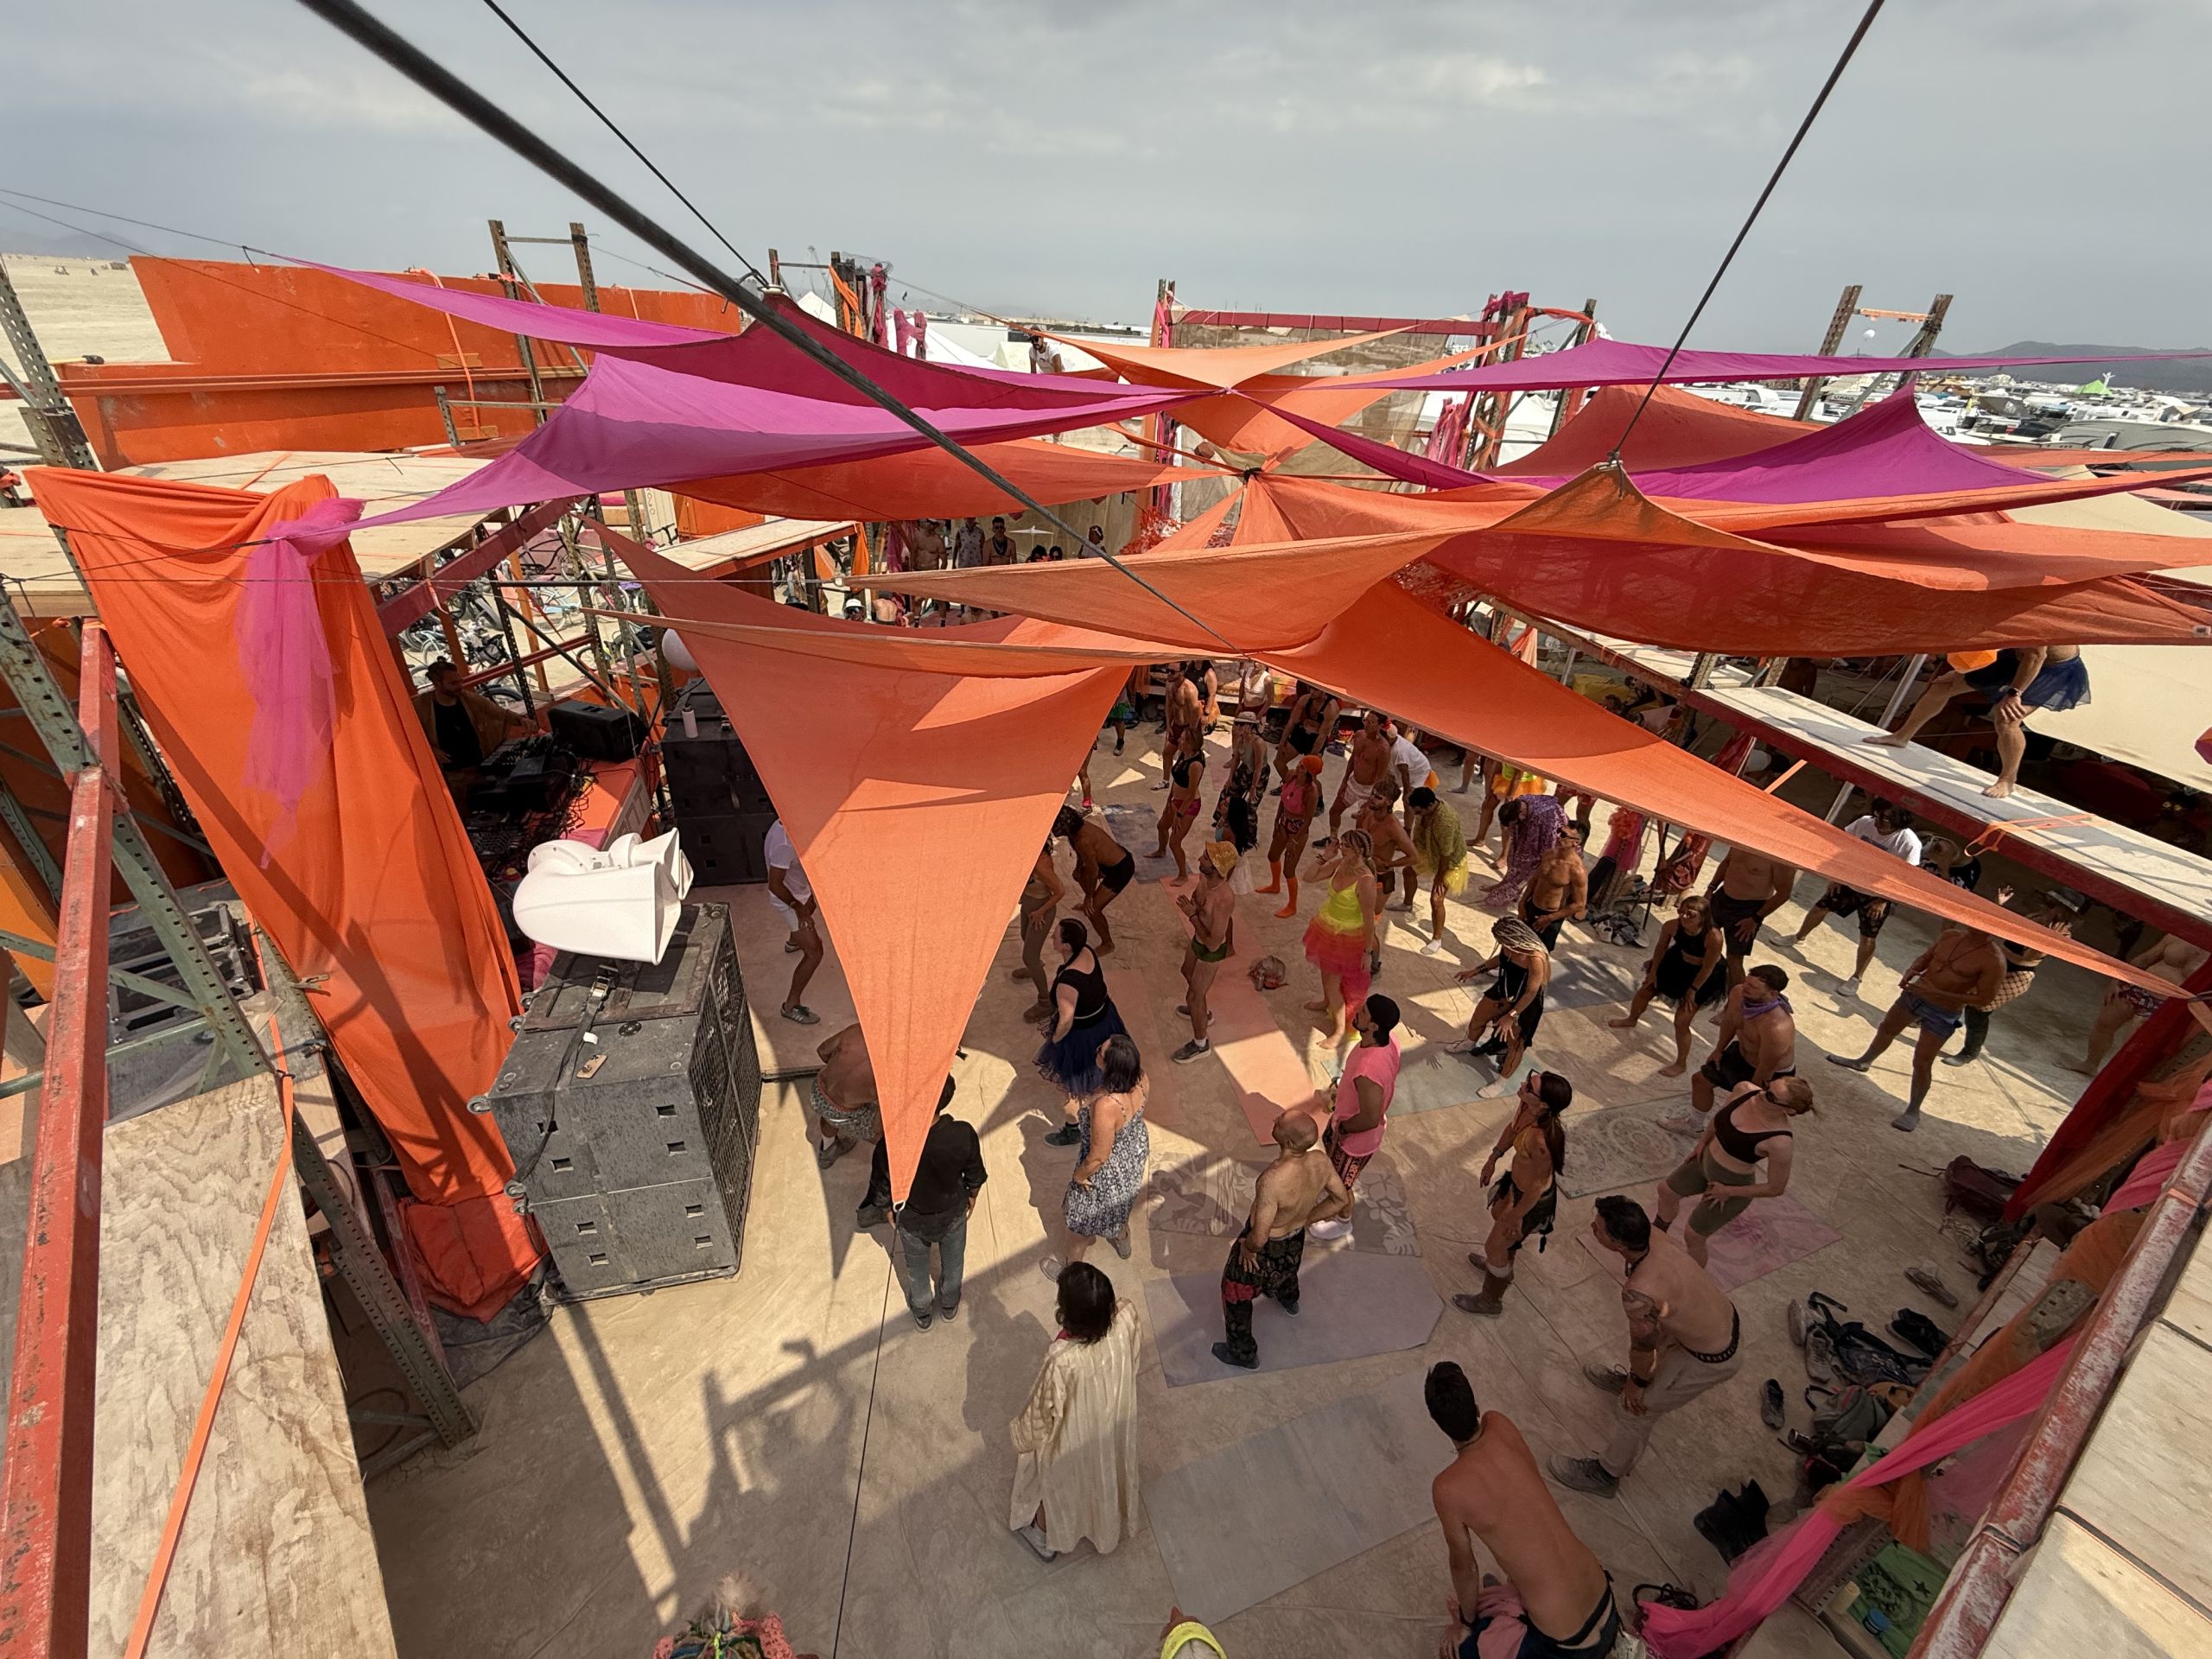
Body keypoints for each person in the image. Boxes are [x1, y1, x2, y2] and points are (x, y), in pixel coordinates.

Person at [1426, 1361, 1623, 1659]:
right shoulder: (1499, 1423)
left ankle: (1497, 1624)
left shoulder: (1447, 1488)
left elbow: (1465, 1569)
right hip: (1605, 1602)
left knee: (1455, 1651)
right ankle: (1508, 1610)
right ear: (1476, 1406)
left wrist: (1464, 1623)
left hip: (1571, 1646)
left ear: (1438, 1423)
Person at [1553, 1197, 1740, 1499]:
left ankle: (1607, 1474)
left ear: (1617, 1244)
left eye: (1598, 1229)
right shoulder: (1652, 1235)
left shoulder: (1639, 1292)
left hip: (1711, 1356)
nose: (1592, 1229)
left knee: (1636, 1411)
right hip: (1715, 1322)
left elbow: (1643, 1348)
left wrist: (1638, 1384)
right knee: (1656, 1346)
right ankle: (1634, 1381)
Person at [1009, 1261, 1141, 1561]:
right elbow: (1133, 1358)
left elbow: (1042, 1410)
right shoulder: (1126, 1318)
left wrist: (1023, 1437)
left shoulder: (1062, 1360)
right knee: (1105, 1474)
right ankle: (1105, 1527)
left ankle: (1043, 1537)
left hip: (1074, 1435)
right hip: (1113, 1419)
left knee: (1057, 1483)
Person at [1828, 926, 2005, 1131]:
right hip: (1915, 995)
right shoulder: (1951, 936)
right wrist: (1911, 971)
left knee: (1922, 1061)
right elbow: (1926, 957)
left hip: (1943, 1011)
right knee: (1887, 1029)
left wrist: (1940, 994)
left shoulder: (1994, 960)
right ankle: (1863, 1061)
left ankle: (1914, 1110)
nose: (1975, 926)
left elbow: (1984, 999)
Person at [1211, 1111, 1351, 1370]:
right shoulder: (1320, 1162)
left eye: (1280, 1120)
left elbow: (1260, 1235)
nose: (1275, 1118)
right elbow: (1340, 1200)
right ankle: (1289, 1299)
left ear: (1287, 1142)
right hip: (1294, 1239)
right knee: (1287, 1271)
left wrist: (1248, 1248)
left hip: (1265, 1247)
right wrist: (1304, 1219)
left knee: (1235, 1292)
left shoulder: (1272, 1181)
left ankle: (1243, 1353)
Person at [1864, 645, 2091, 798]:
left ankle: (2007, 779)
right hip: (2015, 657)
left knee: (2007, 719)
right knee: (1942, 686)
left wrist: (2014, 693)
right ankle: (1901, 736)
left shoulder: (2040, 614)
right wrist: (1962, 671)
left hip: (2050, 669)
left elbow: (2036, 657)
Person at [1655, 1076, 1815, 1266]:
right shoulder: (1744, 1090)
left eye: (1771, 1097)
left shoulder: (1780, 1142)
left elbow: (1775, 1188)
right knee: (1666, 1191)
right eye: (1766, 1086)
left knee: (1694, 1236)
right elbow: (1720, 1117)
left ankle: (1691, 1277)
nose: (1762, 1094)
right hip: (1704, 1161)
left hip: (1731, 1184)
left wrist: (1728, 1191)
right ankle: (1656, 1237)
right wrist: (1703, 1142)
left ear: (1789, 1110)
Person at [1455, 1070, 1572, 1317]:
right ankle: (1500, 1264)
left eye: (1529, 1087)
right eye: (1529, 1079)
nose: (1522, 1084)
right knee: (1500, 1226)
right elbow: (1512, 1129)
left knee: (1494, 1246)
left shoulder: (1541, 1141)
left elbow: (1538, 1185)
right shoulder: (1527, 1106)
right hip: (1515, 1186)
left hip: (1530, 1201)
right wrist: (1493, 1158)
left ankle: (1491, 1300)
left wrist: (1517, 1215)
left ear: (1544, 1104)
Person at [1040, 1034, 1151, 1275]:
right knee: (1120, 1208)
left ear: (1109, 1065)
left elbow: (1099, 1156)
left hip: (1107, 1170)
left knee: (1077, 1228)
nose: (1097, 1048)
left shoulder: (1107, 1105)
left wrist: (1079, 1176)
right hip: (1133, 1153)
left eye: (1101, 1050)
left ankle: (1070, 1274)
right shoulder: (1141, 1077)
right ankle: (1123, 1240)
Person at [1791, 803, 1923, 997]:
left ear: (1898, 823)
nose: (1878, 821)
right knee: (1821, 907)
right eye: (1878, 814)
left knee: (1867, 936)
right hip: (1850, 880)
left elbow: (1906, 877)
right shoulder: (1864, 823)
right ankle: (1798, 937)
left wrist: (1883, 900)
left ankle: (1856, 977)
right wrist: (1837, 877)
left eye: (1885, 819)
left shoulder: (1909, 842)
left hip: (1877, 893)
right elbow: (1845, 849)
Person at [892, 1076, 987, 1329]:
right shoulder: (963, 1133)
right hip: (952, 1212)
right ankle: (949, 1302)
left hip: (912, 1217)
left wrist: (886, 1206)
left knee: (916, 1267)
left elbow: (884, 1177)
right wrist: (972, 1194)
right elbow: (975, 1173)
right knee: (954, 1262)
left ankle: (922, 1309)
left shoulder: (896, 1137)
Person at [1944, 887, 2075, 1067]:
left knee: (1978, 1010)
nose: (2045, 906)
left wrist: (2047, 937)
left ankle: (1970, 1052)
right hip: (1997, 964)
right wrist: (1998, 906)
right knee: (1958, 986)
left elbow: (2029, 956)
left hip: (2017, 975)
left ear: (2062, 912)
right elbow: (2002, 928)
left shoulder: (2063, 935)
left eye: (2051, 905)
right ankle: (1932, 1019)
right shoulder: (2034, 917)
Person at [1308, 994, 1401, 1243]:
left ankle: (1343, 1222)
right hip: (1343, 1121)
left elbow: (1369, 1118)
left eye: (1364, 1012)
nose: (1358, 1011)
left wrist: (1344, 1129)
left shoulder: (1367, 1072)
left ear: (1374, 1026)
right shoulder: (1390, 1042)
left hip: (1353, 1141)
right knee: (1333, 1172)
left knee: (1340, 1187)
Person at [1667, 963, 1796, 1134]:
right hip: (1741, 1054)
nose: (1745, 989)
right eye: (1747, 983)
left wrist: (1748, 1094)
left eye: (1753, 987)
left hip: (1771, 1073)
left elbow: (1767, 1067)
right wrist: (1718, 1050)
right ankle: (1694, 1125)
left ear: (1772, 994)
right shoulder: (1738, 992)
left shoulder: (1777, 1026)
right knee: (1700, 1081)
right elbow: (1730, 1021)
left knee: (1741, 1111)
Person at [1610, 891, 1727, 1077]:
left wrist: (1692, 990)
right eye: (1682, 912)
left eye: (1690, 915)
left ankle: (1681, 1063)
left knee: (1682, 1021)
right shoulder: (1672, 925)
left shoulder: (1713, 937)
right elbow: (1660, 948)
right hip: (1677, 961)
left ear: (1703, 917)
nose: (1684, 917)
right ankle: (1631, 1019)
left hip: (1704, 975)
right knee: (1645, 991)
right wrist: (1653, 973)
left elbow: (1708, 968)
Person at [1035, 918, 1130, 1145]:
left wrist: (1055, 1041)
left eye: (1056, 936)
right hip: (1106, 1019)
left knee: (1071, 1087)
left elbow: (1066, 1021)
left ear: (1066, 946)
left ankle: (1073, 1129)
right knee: (1107, 1067)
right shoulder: (1086, 951)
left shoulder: (1068, 982)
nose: (1052, 936)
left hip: (1083, 1034)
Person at [2072, 931, 2209, 1075]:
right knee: (2104, 1023)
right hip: (2139, 986)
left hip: (2166, 1003)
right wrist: (2117, 979)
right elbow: (2145, 959)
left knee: (2134, 1044)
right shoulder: (2180, 936)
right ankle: (2090, 1064)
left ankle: (2115, 1076)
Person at [1448, 917, 1552, 1099]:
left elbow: (1531, 992)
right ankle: (1469, 1043)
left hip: (1526, 1002)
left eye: (1505, 943)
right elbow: (1499, 959)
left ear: (1515, 940)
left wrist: (1511, 1016)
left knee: (1515, 1043)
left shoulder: (1535, 958)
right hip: (1503, 989)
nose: (1503, 946)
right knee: (1478, 1018)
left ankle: (1501, 1082)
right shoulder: (1508, 948)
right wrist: (1475, 971)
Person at [1302, 830, 1381, 1051]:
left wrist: (1367, 952)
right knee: (1326, 971)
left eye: (1346, 845)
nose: (1341, 848)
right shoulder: (1340, 864)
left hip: (1349, 937)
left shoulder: (1366, 881)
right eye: (1342, 844)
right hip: (1328, 927)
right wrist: (1324, 856)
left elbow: (1369, 920)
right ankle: (1327, 1002)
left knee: (1333, 983)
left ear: (1360, 850)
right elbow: (1308, 877)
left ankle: (1338, 1032)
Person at [413, 658, 532, 795]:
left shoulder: (468, 698)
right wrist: (430, 750)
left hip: (479, 765)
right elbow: (410, 736)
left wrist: (521, 720)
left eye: (460, 681)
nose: (460, 686)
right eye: (453, 683)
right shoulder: (422, 706)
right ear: (437, 684)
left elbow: (500, 713)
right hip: (451, 774)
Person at [1173, 842, 1238, 1063]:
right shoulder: (1204, 880)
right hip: (1198, 939)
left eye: (1206, 858)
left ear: (1218, 867)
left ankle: (1201, 1044)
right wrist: (1194, 905)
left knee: (1193, 996)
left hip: (1210, 952)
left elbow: (1213, 944)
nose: (1200, 859)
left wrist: (1192, 915)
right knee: (1186, 971)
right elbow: (1197, 899)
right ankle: (1202, 1011)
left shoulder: (1224, 898)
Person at [1704, 844, 1798, 990]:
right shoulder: (1742, 841)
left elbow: (1784, 893)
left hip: (1748, 910)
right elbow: (1727, 862)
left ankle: (1737, 998)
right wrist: (1711, 888)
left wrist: (1756, 918)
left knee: (1734, 958)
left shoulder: (1780, 857)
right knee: (1703, 938)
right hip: (1722, 897)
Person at [764, 817, 824, 1025]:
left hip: (799, 892)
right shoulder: (784, 844)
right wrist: (799, 909)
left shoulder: (783, 823)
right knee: (815, 953)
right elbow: (775, 885)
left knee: (811, 906)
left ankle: (793, 941)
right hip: (789, 900)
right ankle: (790, 1005)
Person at [1054, 804, 1136, 954]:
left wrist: (1089, 896)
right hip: (1107, 863)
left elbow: (1093, 871)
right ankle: (1090, 900)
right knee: (1079, 876)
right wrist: (1078, 868)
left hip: (1121, 869)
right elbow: (1081, 853)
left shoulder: (1084, 840)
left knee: (1093, 911)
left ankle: (1108, 944)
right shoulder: (1077, 833)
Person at [1255, 754, 1325, 918]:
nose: (1298, 767)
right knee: (1273, 856)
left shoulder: (1311, 791)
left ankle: (1292, 905)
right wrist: (1277, 820)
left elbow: (1308, 820)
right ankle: (1275, 885)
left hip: (1298, 829)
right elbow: (1283, 800)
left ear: (1309, 773)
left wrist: (1294, 840)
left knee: (1289, 869)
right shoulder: (1291, 777)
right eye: (1300, 764)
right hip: (1284, 822)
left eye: (1302, 767)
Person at [1407, 786, 1471, 957]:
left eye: (1418, 812)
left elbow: (1446, 854)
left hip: (1450, 861)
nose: (1416, 815)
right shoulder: (1423, 811)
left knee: (1436, 899)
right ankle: (1407, 904)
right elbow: (1418, 838)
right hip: (1429, 850)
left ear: (1430, 806)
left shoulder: (1446, 821)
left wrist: (1439, 878)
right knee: (1408, 872)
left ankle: (1437, 939)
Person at [809, 1022, 879, 1172]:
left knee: (829, 1112)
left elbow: (822, 1051)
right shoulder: (893, 1068)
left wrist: (840, 1070)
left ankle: (828, 1149)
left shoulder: (858, 1030)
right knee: (884, 1131)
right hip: (844, 1112)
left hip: (818, 1091)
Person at [1483, 792, 1565, 910]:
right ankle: (1505, 885)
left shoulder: (1546, 818)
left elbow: (1550, 844)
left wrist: (1543, 862)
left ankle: (1517, 895)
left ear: (1521, 813)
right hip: (1530, 836)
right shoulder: (1521, 802)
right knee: (1514, 860)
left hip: (1548, 844)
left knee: (1529, 869)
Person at [1015, 839, 1065, 1023]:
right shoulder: (1031, 859)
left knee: (1030, 956)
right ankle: (1034, 968)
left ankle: (1045, 1002)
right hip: (1030, 905)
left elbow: (1060, 891)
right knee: (1024, 936)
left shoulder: (1041, 865)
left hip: (1040, 912)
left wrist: (1040, 912)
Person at [1519, 823, 1587, 952]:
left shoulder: (1577, 871)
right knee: (1517, 943)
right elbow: (1535, 879)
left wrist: (1549, 918)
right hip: (1532, 906)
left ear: (1576, 842)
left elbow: (1580, 904)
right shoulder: (1548, 854)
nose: (1558, 836)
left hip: (1551, 916)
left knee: (1538, 954)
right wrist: (1522, 903)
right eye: (1559, 831)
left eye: (1564, 835)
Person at [1328, 709, 1395, 838]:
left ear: (1380, 726)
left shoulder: (1383, 748)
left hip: (1369, 789)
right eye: (1365, 721)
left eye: (1371, 722)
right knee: (1334, 811)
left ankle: (1355, 847)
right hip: (1353, 782)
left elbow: (1380, 777)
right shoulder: (1359, 735)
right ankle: (1332, 839)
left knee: (1361, 825)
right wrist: (1344, 781)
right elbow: (1353, 759)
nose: (1366, 725)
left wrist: (1372, 799)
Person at [1212, 712, 1269, 854]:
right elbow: (1236, 760)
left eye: (1241, 724)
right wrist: (1230, 778)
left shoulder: (1258, 743)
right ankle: (1223, 819)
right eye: (1237, 723)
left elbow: (1258, 768)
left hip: (1259, 774)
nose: (1238, 727)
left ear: (1250, 726)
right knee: (1227, 793)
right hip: (1245, 769)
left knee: (1251, 806)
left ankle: (1250, 837)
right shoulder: (1240, 740)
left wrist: (1254, 787)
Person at [1153, 744, 1206, 880]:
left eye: (1182, 739)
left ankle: (1183, 875)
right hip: (1176, 800)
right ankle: (1161, 851)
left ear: (1190, 742)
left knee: (1175, 843)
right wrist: (1169, 799)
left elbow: (1191, 795)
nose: (1179, 741)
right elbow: (1176, 780)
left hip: (1189, 806)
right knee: (1162, 826)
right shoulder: (1184, 754)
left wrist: (1179, 814)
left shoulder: (1195, 765)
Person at [1275, 682, 1341, 787]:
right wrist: (1282, 743)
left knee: (1310, 776)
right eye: (1310, 688)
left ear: (1323, 690)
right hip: (1301, 733)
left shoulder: (1331, 707)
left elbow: (1322, 736)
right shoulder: (1305, 699)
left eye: (1315, 690)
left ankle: (1314, 796)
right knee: (1278, 762)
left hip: (1316, 739)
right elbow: (1292, 722)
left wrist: (1310, 759)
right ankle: (1290, 786)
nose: (1311, 692)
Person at [1157, 665, 1205, 793]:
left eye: (1172, 672)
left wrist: (1190, 732)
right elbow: (1169, 705)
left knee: (1187, 759)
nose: (1169, 674)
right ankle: (1165, 780)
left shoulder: (1189, 689)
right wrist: (1168, 724)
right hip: (1177, 725)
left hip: (1189, 726)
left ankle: (1188, 786)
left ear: (1182, 672)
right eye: (1167, 670)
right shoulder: (1169, 685)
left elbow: (1196, 712)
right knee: (1167, 753)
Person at [1104, 669, 1139, 757]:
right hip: (1104, 690)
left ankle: (1120, 742)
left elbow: (1124, 678)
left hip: (1118, 692)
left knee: (1118, 719)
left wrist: (1116, 694)